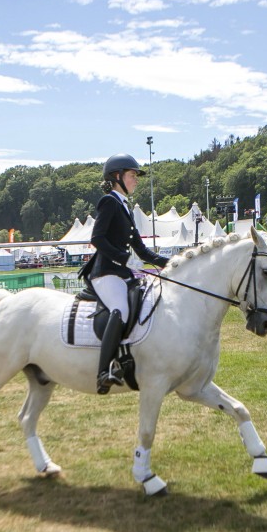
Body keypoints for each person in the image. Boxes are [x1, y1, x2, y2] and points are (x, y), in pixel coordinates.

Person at [79, 153, 170, 394]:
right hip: (106, 272)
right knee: (120, 309)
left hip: (123, 273)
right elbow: (97, 239)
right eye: (132, 175)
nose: (136, 180)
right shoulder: (109, 202)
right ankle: (103, 372)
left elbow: (141, 249)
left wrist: (171, 263)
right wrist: (125, 259)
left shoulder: (125, 207)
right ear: (117, 177)